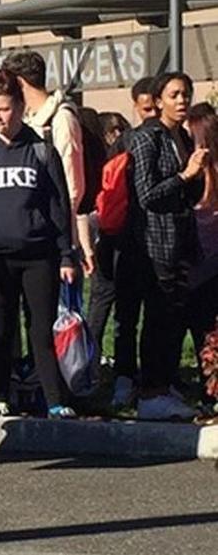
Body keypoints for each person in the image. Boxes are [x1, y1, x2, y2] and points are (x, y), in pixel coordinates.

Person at [0, 69, 78, 419]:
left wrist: (66, 255)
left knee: (40, 330)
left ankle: (54, 399)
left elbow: (58, 207)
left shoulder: (41, 151)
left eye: (5, 109)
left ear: (21, 108)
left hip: (39, 256)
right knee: (1, 330)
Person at [121, 73, 209, 420]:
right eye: (173, 95)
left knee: (174, 316)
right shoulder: (148, 138)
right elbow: (146, 193)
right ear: (157, 101)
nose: (181, 100)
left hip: (180, 242)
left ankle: (166, 384)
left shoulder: (182, 136)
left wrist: (195, 178)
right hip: (153, 242)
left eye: (185, 94)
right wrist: (185, 175)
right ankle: (150, 391)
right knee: (158, 317)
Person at [2, 51, 94, 277]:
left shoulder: (61, 119)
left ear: (20, 83)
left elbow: (72, 185)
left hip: (54, 236)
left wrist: (61, 235)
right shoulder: (28, 120)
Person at [84, 112, 142, 409]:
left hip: (106, 240)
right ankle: (123, 376)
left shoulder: (102, 163)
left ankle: (86, 372)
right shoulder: (130, 158)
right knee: (125, 316)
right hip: (127, 243)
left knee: (99, 309)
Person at [185, 106, 217, 412]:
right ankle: (208, 388)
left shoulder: (206, 172)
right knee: (201, 328)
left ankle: (210, 390)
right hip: (196, 263)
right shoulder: (191, 172)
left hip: (209, 263)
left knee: (206, 327)